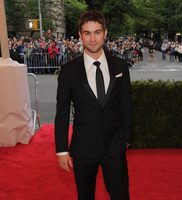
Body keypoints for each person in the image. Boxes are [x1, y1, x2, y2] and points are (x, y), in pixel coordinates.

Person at [54, 10, 133, 200]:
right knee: (85, 195)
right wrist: (62, 149)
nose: (92, 39)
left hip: (114, 145)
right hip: (83, 147)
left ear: (105, 33)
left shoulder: (120, 66)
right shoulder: (68, 71)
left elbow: (126, 103)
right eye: (87, 33)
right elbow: (62, 112)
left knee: (120, 195)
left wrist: (127, 138)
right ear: (80, 35)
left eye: (97, 32)